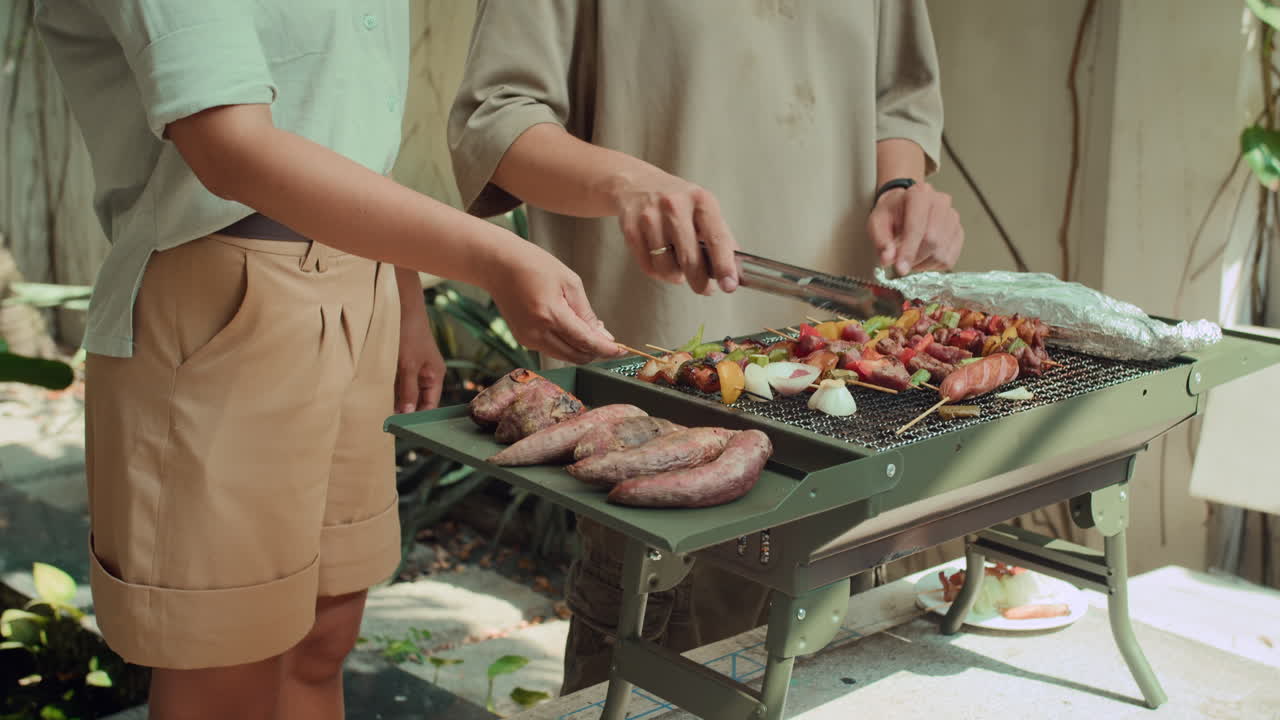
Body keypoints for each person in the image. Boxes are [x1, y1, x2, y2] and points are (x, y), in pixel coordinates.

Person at [34, 2, 618, 718]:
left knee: (323, 640)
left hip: (361, 280)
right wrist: (494, 258)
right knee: (229, 669)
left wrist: (403, 294)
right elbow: (229, 147)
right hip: (223, 301)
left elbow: (346, 125)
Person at [448, 0, 964, 693]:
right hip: (666, 410)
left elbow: (899, 100)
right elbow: (496, 121)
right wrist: (628, 183)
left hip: (854, 410)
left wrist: (903, 185)